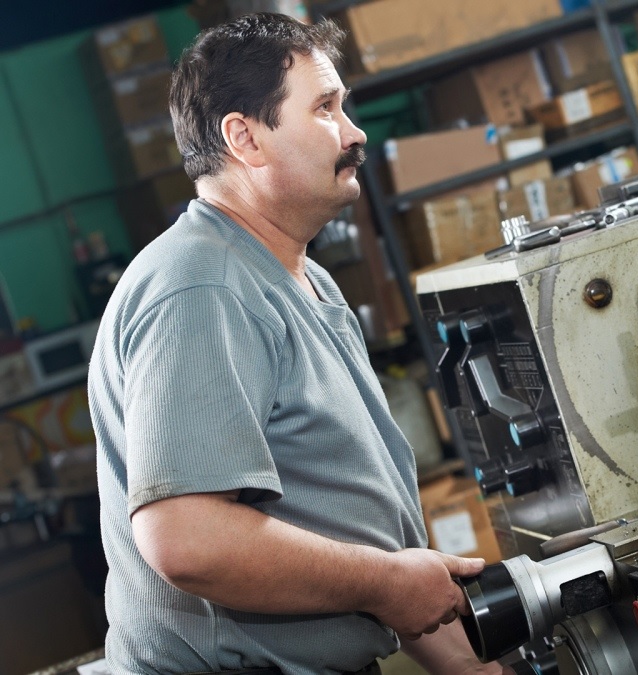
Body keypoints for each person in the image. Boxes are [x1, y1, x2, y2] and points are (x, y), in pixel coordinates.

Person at [88, 13, 510, 674]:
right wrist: (385, 584)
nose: (354, 132)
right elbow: (187, 539)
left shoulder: (301, 277)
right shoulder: (202, 287)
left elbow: (345, 527)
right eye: (324, 108)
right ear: (245, 138)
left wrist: (464, 665)